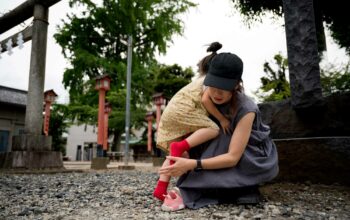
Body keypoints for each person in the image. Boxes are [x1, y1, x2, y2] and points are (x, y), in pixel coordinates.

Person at [158, 52, 279, 211]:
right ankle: (225, 188)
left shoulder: (247, 109)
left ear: (237, 85)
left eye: (224, 87)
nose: (217, 93)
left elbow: (232, 157)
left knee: (224, 133)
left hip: (250, 156)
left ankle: (194, 190)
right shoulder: (208, 94)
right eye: (213, 85)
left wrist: (193, 165)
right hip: (220, 149)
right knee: (207, 133)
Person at [153, 42, 232, 201]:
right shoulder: (209, 81)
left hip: (171, 112)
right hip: (183, 110)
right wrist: (222, 119)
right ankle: (180, 145)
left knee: (180, 156)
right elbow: (206, 100)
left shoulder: (198, 81)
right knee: (213, 129)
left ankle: (160, 189)